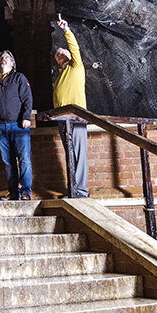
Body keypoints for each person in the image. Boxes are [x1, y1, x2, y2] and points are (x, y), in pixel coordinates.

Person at [0, 50, 34, 200]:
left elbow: (27, 98)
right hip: (2, 127)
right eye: (1, 58)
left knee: (24, 159)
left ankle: (25, 191)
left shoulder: (19, 78)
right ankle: (13, 193)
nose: (3, 59)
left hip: (18, 126)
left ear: (12, 63)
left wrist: (26, 117)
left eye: (7, 57)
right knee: (8, 163)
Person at [52, 16, 89, 197]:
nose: (60, 55)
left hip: (77, 116)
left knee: (79, 154)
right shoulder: (59, 77)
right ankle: (73, 190)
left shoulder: (76, 67)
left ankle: (82, 190)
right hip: (63, 119)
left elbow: (75, 48)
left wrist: (66, 30)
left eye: (62, 52)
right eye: (57, 55)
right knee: (70, 155)